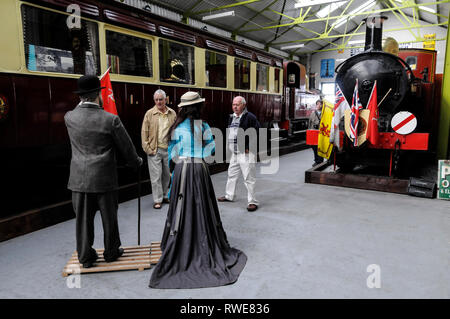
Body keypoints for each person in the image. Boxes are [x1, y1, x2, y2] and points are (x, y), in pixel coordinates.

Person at [149, 91, 247, 289]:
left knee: (181, 207)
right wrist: (199, 154)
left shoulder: (175, 126)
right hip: (200, 170)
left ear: (183, 109)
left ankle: (180, 239)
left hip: (182, 170)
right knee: (203, 206)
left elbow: (172, 152)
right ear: (199, 107)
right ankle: (203, 237)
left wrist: (176, 167)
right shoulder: (204, 126)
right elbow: (211, 147)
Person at [64, 75, 143, 268]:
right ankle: (111, 252)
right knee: (109, 219)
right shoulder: (110, 119)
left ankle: (85, 256)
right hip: (104, 178)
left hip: (79, 180)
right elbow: (127, 148)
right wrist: (137, 162)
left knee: (83, 221)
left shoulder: (69, 117)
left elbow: (78, 112)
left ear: (80, 96)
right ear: (98, 94)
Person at [217, 96, 260, 212]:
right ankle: (229, 195)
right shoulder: (232, 117)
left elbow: (257, 133)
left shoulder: (250, 117)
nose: (235, 107)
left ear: (244, 105)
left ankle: (252, 202)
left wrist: (249, 147)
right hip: (235, 153)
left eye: (238, 104)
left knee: (249, 178)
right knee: (231, 175)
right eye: (233, 104)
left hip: (245, 153)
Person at [141, 89, 177, 209]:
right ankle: (157, 200)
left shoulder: (172, 113)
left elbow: (176, 130)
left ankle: (164, 195)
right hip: (154, 150)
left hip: (168, 149)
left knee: (167, 175)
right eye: (156, 100)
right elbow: (144, 132)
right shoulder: (149, 113)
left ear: (165, 99)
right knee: (156, 176)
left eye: (161, 99)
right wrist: (148, 149)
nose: (158, 102)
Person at [309, 99, 324, 166]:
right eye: (317, 104)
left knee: (321, 146)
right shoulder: (312, 113)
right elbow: (310, 124)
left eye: (320, 104)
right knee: (314, 147)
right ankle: (316, 160)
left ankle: (320, 160)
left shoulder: (325, 113)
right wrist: (309, 132)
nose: (319, 105)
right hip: (314, 133)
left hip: (322, 133)